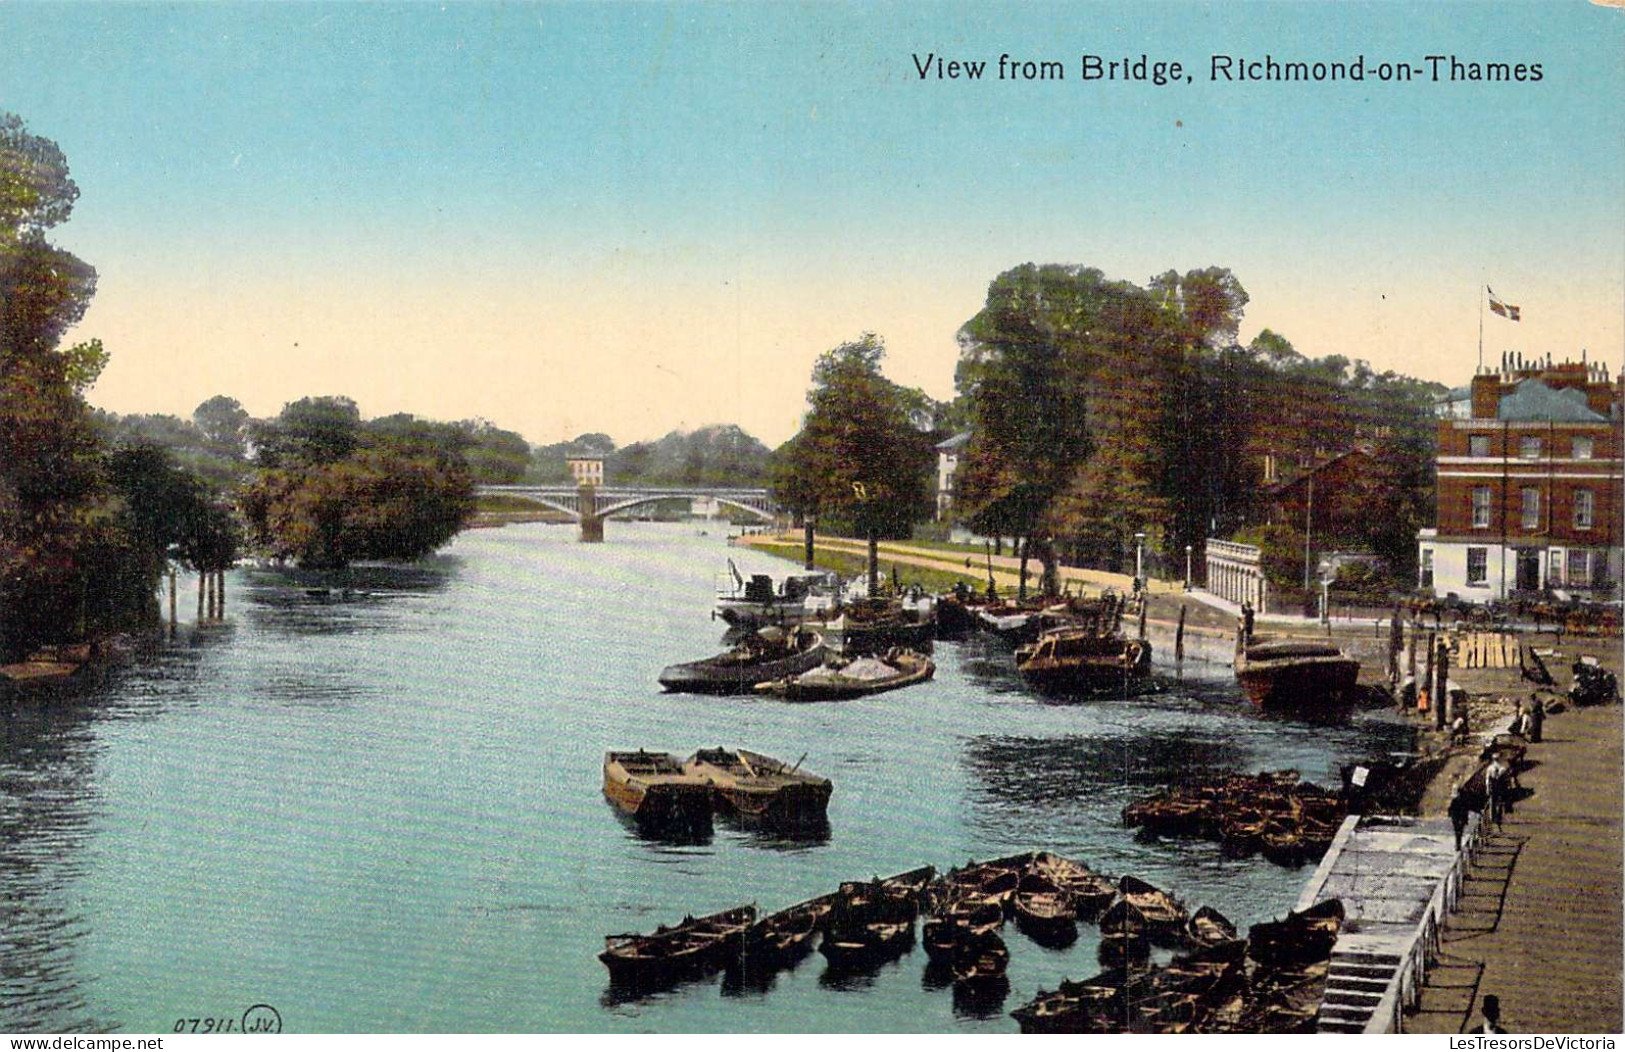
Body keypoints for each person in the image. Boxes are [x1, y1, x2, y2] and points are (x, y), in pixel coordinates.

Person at [1484, 755, 1510, 830]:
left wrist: (1487, 788)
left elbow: (1488, 780)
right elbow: (1506, 779)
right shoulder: (1503, 768)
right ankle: (1499, 817)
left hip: (1493, 787)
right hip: (1501, 787)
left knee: (1492, 802)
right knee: (1500, 803)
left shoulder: (1490, 768)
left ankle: (1492, 817)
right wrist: (1508, 787)